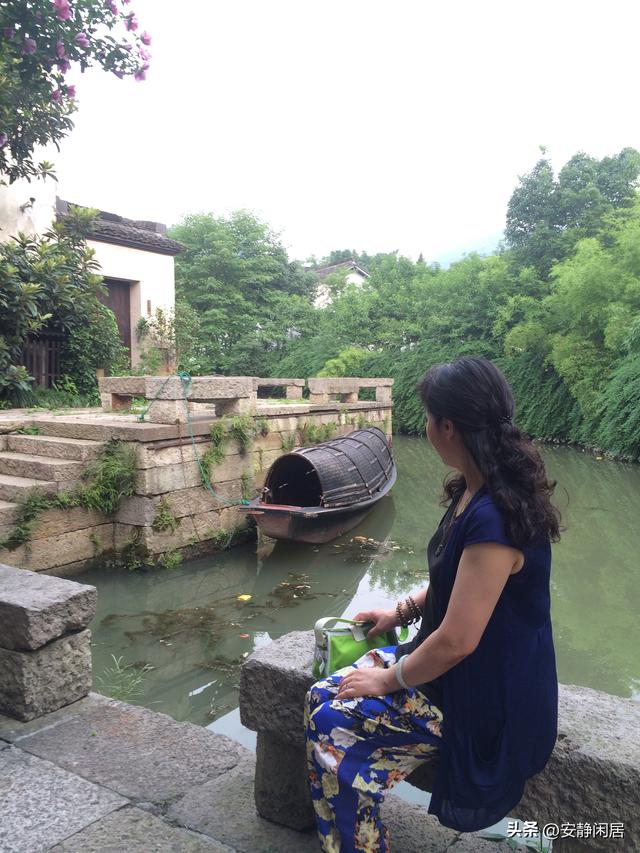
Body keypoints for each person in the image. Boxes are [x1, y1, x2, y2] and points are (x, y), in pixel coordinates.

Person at [304, 356, 561, 852]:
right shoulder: (476, 488)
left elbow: (460, 639)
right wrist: (397, 615)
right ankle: (352, 830)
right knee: (322, 695)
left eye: (427, 416)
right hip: (455, 669)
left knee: (330, 720)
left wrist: (387, 678)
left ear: (446, 426)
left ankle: (354, 842)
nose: (425, 426)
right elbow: (456, 584)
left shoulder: (496, 521)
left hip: (483, 695)